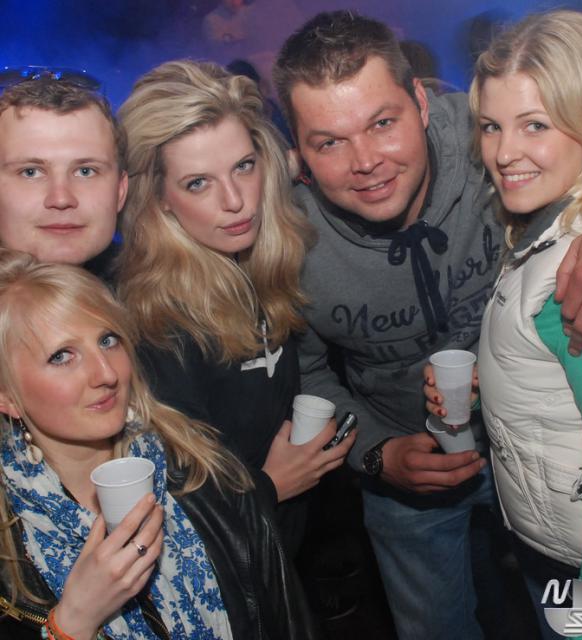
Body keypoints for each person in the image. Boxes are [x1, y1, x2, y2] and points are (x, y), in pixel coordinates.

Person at [273, 10, 582, 639]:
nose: (366, 161)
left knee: (569, 609)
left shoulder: (490, 138)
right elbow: (305, 377)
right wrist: (376, 454)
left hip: (562, 468)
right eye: (329, 142)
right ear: (298, 153)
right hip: (406, 472)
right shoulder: (286, 240)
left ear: (421, 102)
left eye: (383, 123)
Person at [0, 250, 318, 640]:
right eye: (62, 356)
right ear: (6, 396)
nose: (106, 373)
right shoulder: (10, 545)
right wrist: (75, 620)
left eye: (108, 340)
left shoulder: (194, 459)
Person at [116, 60, 354, 556]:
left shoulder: (262, 261)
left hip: (287, 548)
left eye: (244, 166)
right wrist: (270, 487)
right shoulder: (154, 321)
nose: (235, 201)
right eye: (197, 183)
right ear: (159, 198)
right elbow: (168, 503)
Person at [466, 11, 582, 639]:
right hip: (553, 549)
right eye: (491, 126)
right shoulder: (548, 225)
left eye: (534, 124)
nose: (503, 152)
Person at [0, 75, 127, 275]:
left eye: (85, 171)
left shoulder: (155, 291)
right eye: (30, 172)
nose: (61, 199)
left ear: (120, 191)